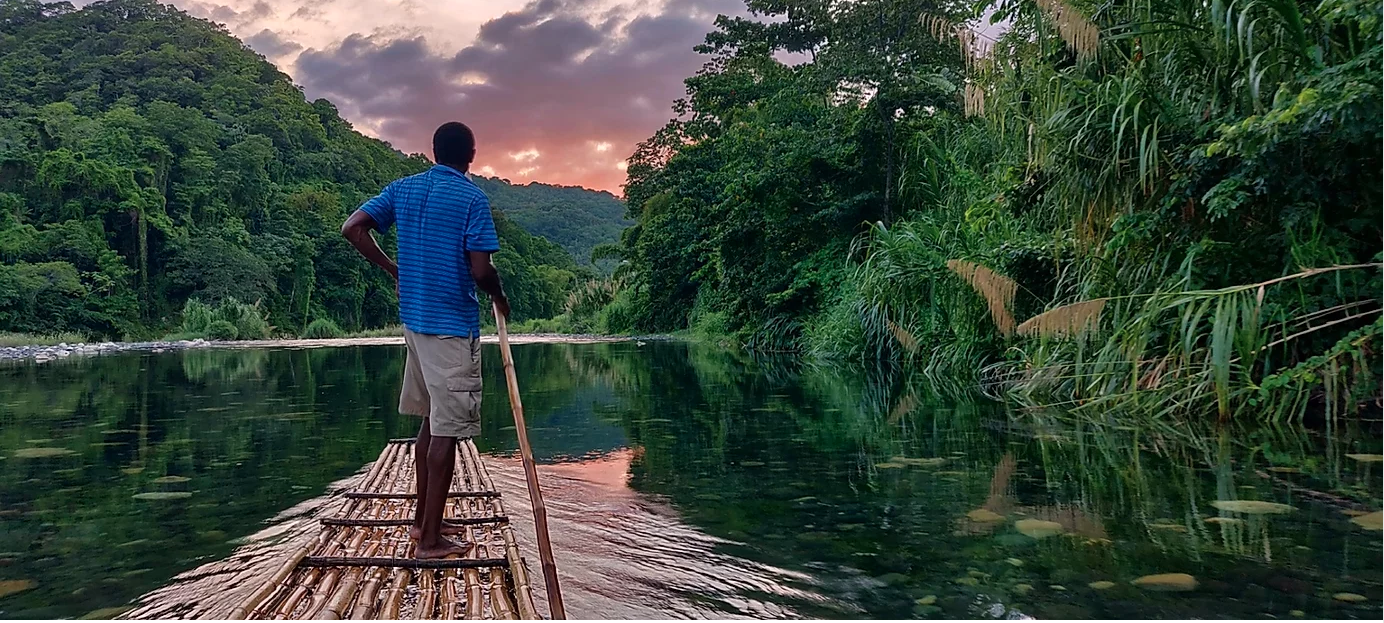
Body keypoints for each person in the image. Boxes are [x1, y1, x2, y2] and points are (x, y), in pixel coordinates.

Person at [340, 121, 510, 560]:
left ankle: (422, 523)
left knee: (431, 423)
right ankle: (430, 542)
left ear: (434, 152)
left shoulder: (403, 189)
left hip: (414, 324)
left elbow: (353, 228)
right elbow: (480, 269)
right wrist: (499, 294)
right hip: (450, 328)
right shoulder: (472, 198)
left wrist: (392, 268)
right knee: (447, 433)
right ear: (470, 155)